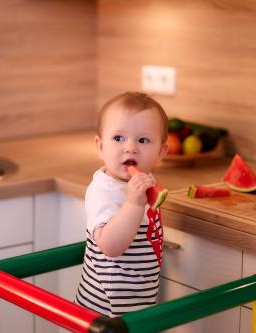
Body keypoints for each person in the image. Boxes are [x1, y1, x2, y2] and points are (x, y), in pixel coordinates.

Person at [74, 91, 169, 317]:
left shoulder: (142, 183)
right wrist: (135, 204)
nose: (130, 147)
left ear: (161, 152)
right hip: (105, 310)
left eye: (143, 140)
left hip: (136, 307)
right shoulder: (103, 191)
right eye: (118, 138)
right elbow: (111, 246)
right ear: (100, 146)